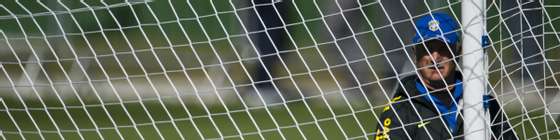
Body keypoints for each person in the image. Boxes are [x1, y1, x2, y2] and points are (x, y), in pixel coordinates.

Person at [374, 12, 518, 140]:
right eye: (427, 48)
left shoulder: (484, 102)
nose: (435, 58)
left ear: (457, 52)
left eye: (443, 48)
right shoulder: (398, 111)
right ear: (415, 54)